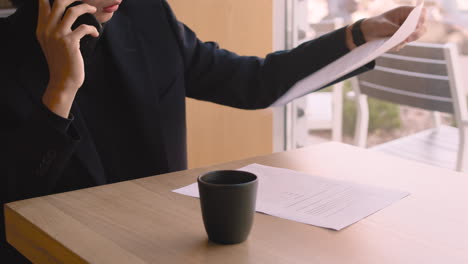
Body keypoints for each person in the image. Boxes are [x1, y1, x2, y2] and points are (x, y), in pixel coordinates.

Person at [0, 0, 426, 262]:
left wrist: (360, 33)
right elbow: (15, 191)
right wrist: (61, 89)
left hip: (160, 245)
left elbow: (253, 82)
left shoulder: (147, 16)